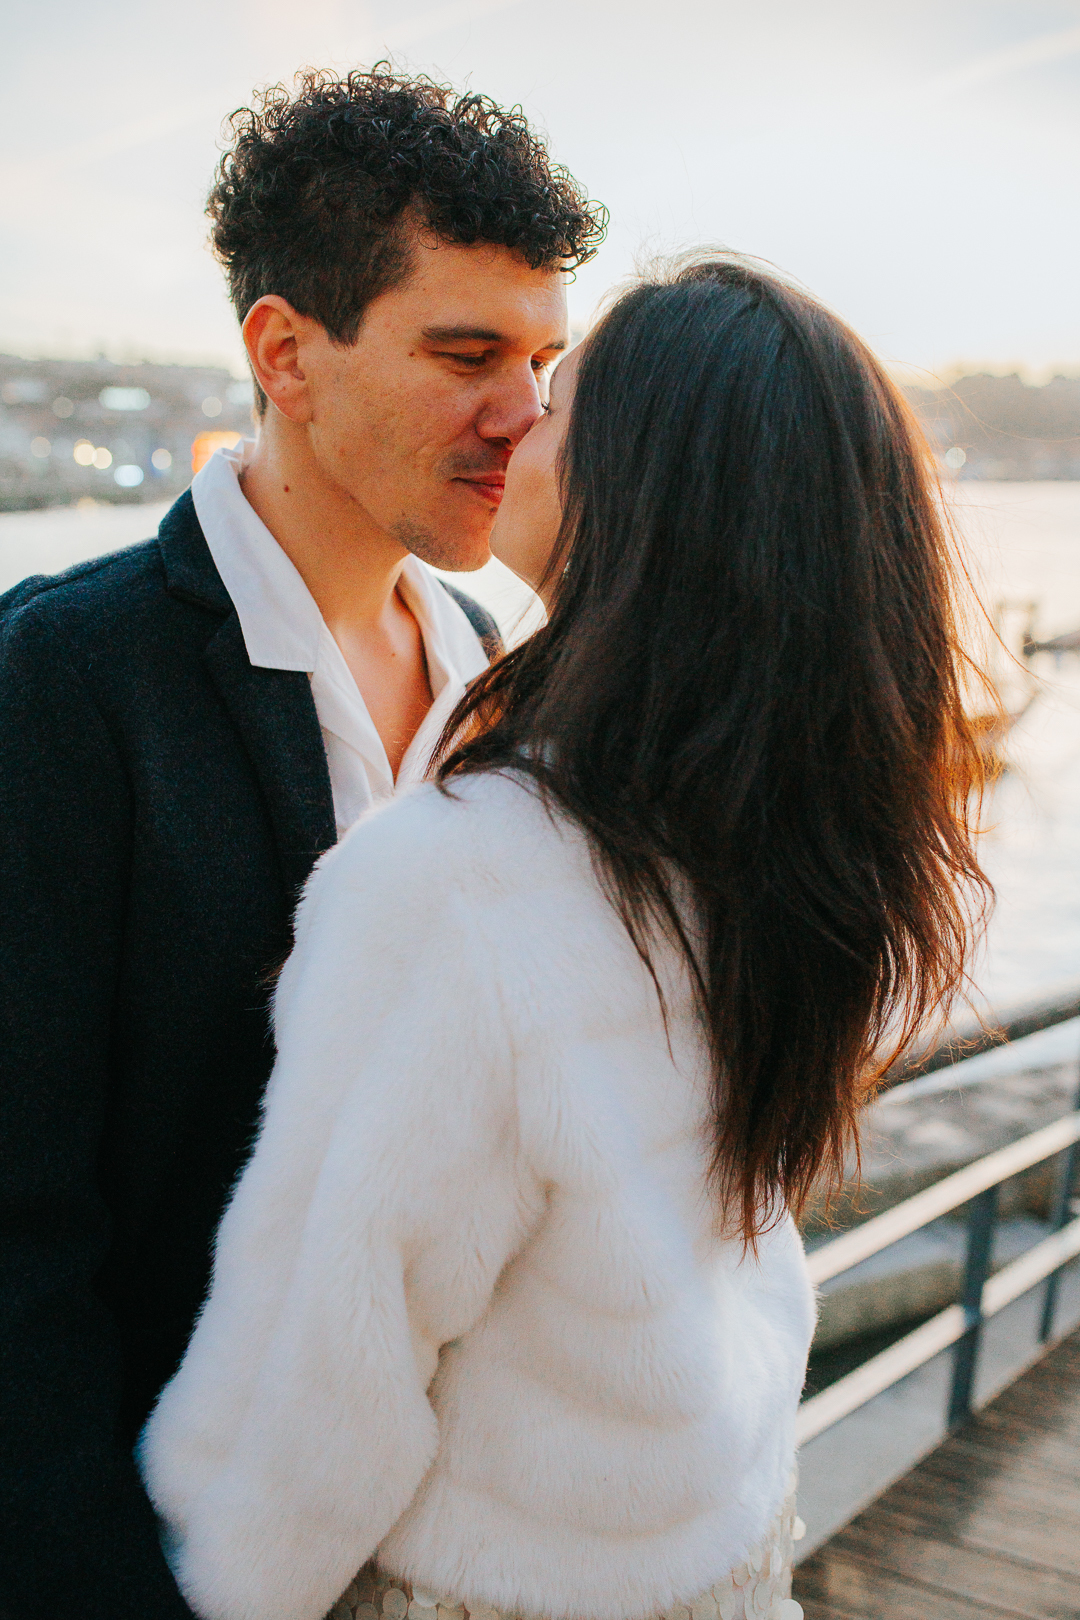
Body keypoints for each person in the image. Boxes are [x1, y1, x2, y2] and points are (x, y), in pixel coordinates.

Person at [140, 256, 989, 1620]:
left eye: (557, 398)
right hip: (715, 1547)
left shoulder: (462, 885)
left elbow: (320, 1387)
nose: (513, 420)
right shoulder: (779, 836)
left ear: (644, 494)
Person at [0, 69, 605, 1620]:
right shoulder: (59, 684)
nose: (521, 414)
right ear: (285, 352)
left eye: (541, 359)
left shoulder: (508, 673)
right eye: (465, 353)